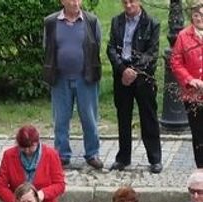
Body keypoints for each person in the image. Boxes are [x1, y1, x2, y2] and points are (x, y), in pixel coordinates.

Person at [43, 0, 104, 170]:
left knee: (89, 118)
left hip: (86, 78)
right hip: (60, 78)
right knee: (60, 118)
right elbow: (47, 47)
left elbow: (96, 46)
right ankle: (62, 155)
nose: (76, 2)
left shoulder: (91, 21)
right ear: (62, 1)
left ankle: (92, 153)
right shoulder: (51, 22)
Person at [106, 0, 162, 173]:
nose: (128, 6)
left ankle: (155, 158)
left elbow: (151, 54)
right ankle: (123, 157)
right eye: (125, 2)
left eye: (132, 1)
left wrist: (134, 71)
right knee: (123, 117)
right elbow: (111, 48)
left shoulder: (151, 23)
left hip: (142, 77)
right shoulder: (117, 21)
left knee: (148, 116)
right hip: (122, 75)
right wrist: (123, 70)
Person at [0, 125, 67, 202]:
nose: (27, 151)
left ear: (37, 142)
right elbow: (0, 186)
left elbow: (60, 184)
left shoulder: (51, 155)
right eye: (23, 148)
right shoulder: (9, 155)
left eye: (31, 147)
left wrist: (42, 194)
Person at [170, 3, 203, 168]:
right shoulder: (183, 36)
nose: (200, 19)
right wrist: (190, 80)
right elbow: (176, 62)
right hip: (193, 94)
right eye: (197, 15)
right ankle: (201, 169)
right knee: (198, 134)